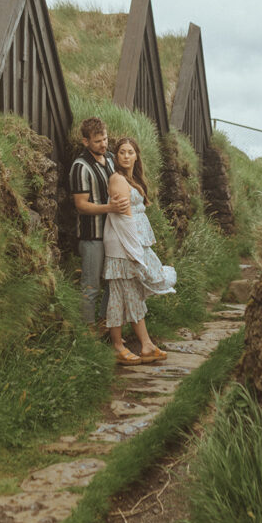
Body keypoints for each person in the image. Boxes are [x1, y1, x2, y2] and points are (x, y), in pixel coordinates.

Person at [103, 136, 176, 365]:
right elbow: (123, 220)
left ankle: (144, 345)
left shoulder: (132, 179)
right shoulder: (117, 179)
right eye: (122, 152)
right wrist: (136, 254)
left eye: (130, 152)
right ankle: (123, 346)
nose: (126, 156)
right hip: (122, 245)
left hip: (133, 244)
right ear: (116, 156)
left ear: (136, 156)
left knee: (130, 295)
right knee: (121, 296)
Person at [69, 117, 129, 330]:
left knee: (113, 283)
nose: (103, 144)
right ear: (85, 141)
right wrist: (109, 208)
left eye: (105, 139)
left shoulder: (111, 159)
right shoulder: (80, 167)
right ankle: (87, 332)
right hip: (91, 236)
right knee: (91, 287)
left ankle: (105, 323)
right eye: (97, 141)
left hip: (114, 234)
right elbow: (81, 205)